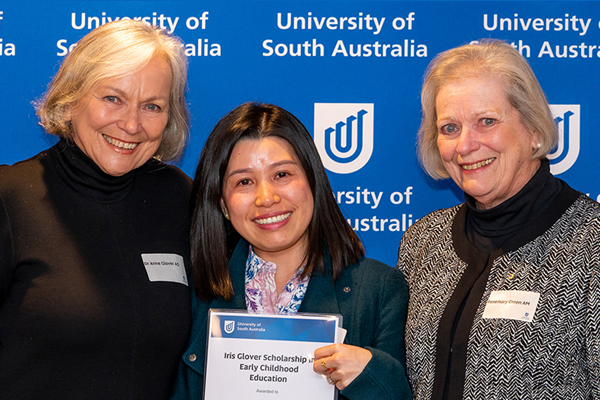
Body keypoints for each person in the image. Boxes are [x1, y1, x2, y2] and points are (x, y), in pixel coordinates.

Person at [397, 39, 600, 399]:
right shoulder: (423, 242)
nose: (465, 145)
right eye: (449, 128)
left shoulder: (591, 243)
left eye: (486, 121)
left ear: (534, 129)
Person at [0, 20, 192, 399]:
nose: (131, 124)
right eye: (112, 99)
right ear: (71, 99)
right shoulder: (9, 198)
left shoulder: (179, 198)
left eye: (151, 106)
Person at [171, 102, 411, 400]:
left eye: (282, 175)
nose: (267, 198)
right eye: (244, 182)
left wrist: (370, 373)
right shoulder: (195, 294)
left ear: (313, 180)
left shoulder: (379, 289)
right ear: (223, 204)